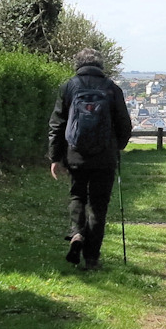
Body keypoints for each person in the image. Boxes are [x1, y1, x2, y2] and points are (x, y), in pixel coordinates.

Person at [47, 49, 132, 270]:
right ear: (100, 65)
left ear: (78, 64)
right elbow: (125, 124)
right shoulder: (112, 88)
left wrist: (55, 157)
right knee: (98, 206)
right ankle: (92, 259)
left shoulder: (69, 87)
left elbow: (57, 123)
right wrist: (117, 147)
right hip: (104, 157)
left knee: (77, 195)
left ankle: (76, 234)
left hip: (76, 153)